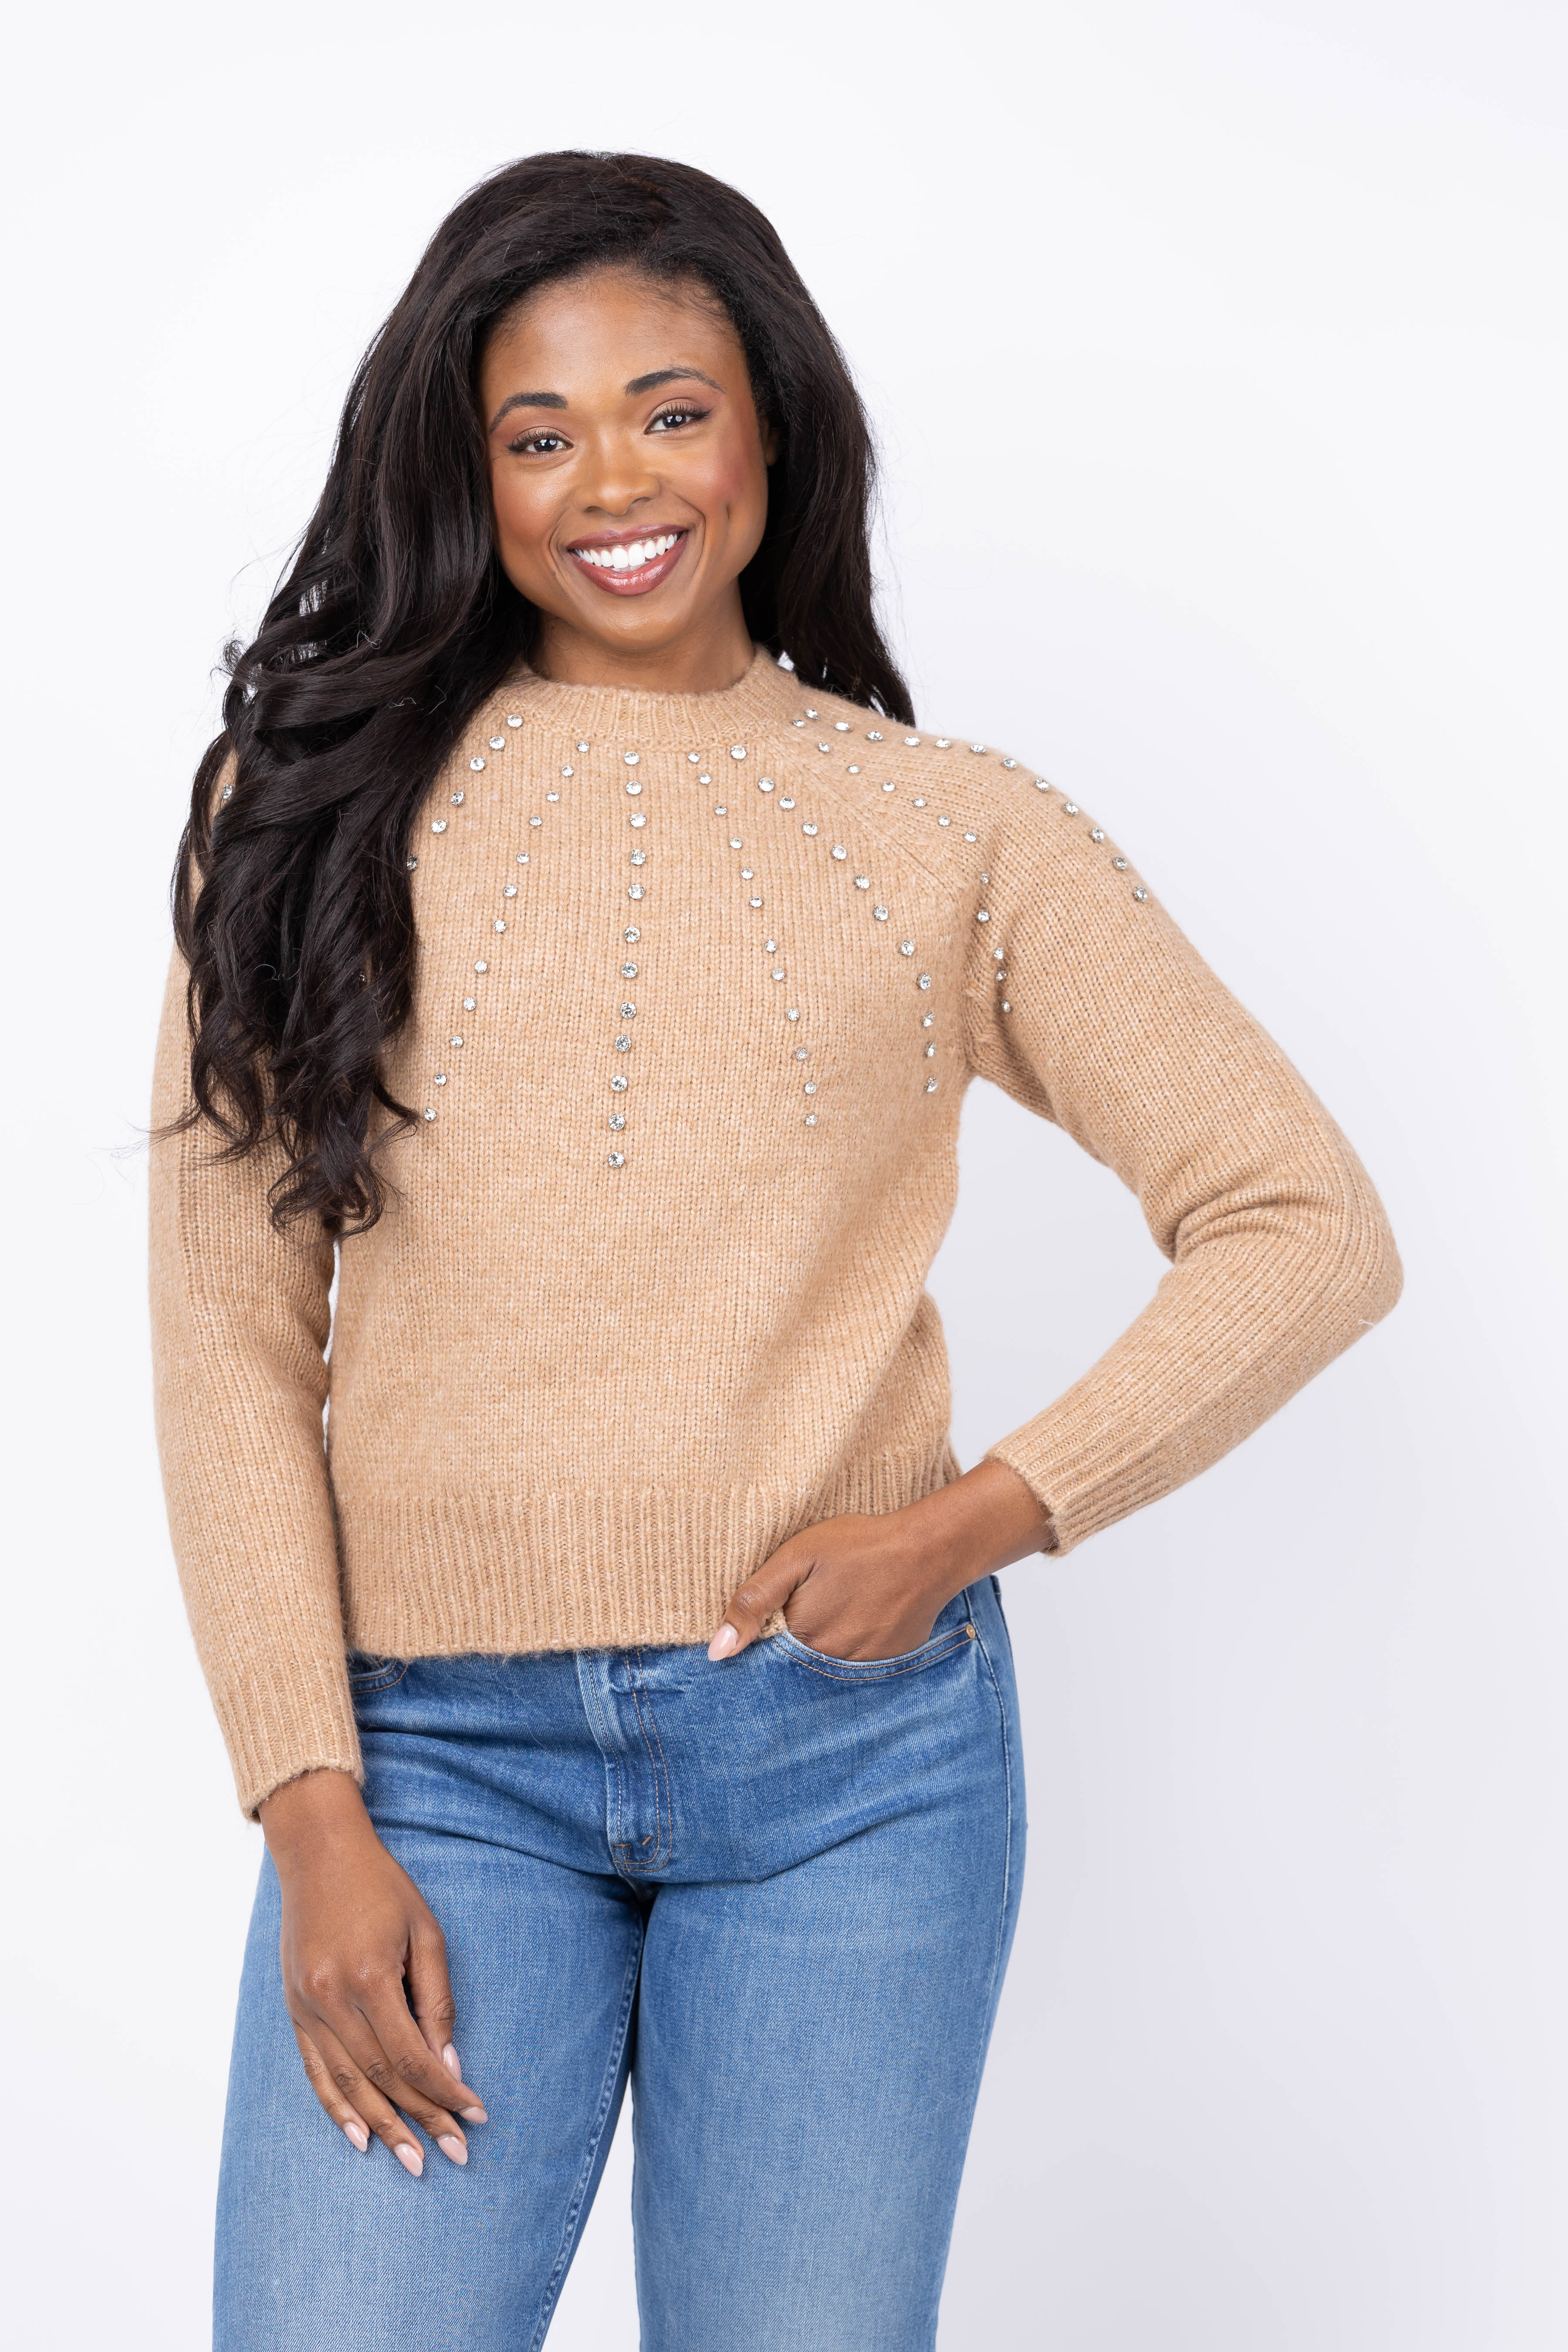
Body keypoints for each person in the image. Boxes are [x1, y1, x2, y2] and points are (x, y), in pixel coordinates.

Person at [150, 150, 1402, 2351]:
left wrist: (978, 1519)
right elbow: (227, 1341)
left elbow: (1304, 1220)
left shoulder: (952, 828)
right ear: (464, 471)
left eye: (671, 411)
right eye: (538, 434)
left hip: (855, 1769)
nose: (613, 483)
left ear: (771, 428)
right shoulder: (311, 807)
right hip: (435, 1771)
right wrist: (308, 1807)